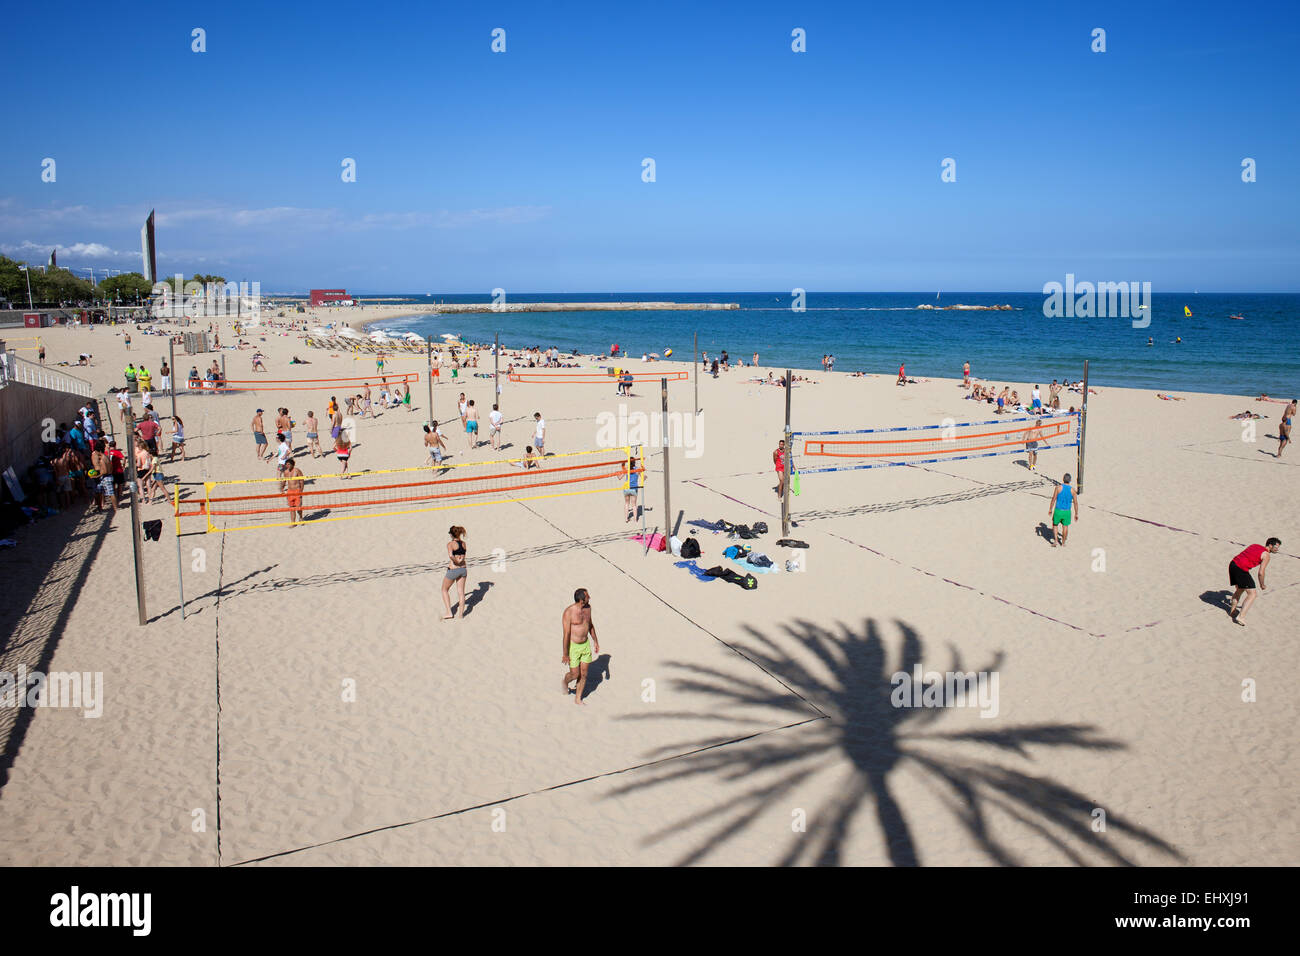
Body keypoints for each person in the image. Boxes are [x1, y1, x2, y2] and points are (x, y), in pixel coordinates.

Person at [1227, 537, 1281, 626]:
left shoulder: (1255, 545)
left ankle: (1232, 612)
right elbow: (1261, 572)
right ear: (1270, 545)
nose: (1277, 549)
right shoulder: (1266, 555)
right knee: (1252, 594)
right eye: (1276, 547)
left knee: (1240, 589)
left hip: (1233, 564)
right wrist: (1262, 584)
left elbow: (1245, 556)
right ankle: (1241, 617)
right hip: (1241, 569)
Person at [562, 588, 600, 706]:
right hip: (574, 647)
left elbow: (590, 625)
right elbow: (566, 634)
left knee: (583, 674)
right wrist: (565, 654)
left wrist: (595, 641)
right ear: (581, 600)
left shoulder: (588, 609)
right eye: (588, 596)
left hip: (585, 646)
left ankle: (578, 698)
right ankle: (565, 682)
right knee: (575, 674)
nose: (590, 598)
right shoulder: (569, 612)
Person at [441, 526, 469, 620]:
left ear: (452, 534)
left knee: (444, 589)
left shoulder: (450, 544)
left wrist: (456, 562)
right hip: (463, 569)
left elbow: (451, 555)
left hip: (453, 569)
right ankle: (461, 615)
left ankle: (449, 612)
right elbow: (463, 556)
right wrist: (460, 561)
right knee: (461, 592)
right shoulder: (464, 543)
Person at [1048, 472, 1079, 547]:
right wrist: (1076, 513)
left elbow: (1053, 499)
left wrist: (1050, 509)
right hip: (1067, 512)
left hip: (1058, 510)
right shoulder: (1073, 490)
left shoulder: (1058, 488)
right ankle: (1063, 542)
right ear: (1070, 480)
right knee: (1065, 527)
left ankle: (1055, 541)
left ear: (1063, 479)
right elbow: (1075, 503)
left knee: (1055, 525)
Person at [280, 458, 305, 526]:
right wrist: (281, 488)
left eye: (289, 464)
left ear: (292, 465)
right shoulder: (286, 472)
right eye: (286, 464)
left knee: (299, 507)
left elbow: (302, 481)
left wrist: (301, 491)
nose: (287, 465)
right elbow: (284, 481)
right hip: (290, 491)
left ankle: (301, 518)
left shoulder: (297, 470)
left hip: (297, 490)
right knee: (291, 508)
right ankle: (293, 522)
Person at [624, 453, 640, 522]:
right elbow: (643, 478)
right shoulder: (637, 469)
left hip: (626, 488)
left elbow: (619, 477)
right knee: (634, 505)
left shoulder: (627, 469)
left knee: (627, 503)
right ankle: (635, 519)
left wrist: (617, 473)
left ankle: (626, 519)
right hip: (634, 488)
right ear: (634, 462)